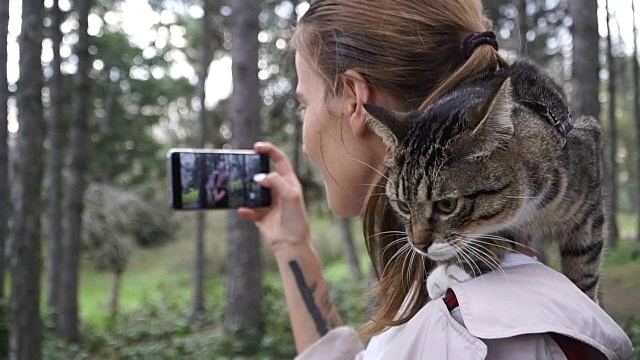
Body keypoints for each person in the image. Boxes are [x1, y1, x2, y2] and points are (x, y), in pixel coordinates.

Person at [238, 0, 634, 358]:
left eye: (303, 104)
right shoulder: (446, 290)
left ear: (356, 100)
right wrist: (291, 243)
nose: (304, 141)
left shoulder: (463, 331)